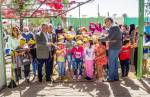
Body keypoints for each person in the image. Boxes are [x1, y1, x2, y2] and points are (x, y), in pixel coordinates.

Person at [100, 17, 122, 82]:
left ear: (109, 21)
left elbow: (109, 38)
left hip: (114, 47)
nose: (105, 23)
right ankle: (115, 77)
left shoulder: (113, 27)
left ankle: (110, 78)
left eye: (105, 22)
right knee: (114, 62)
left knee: (111, 63)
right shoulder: (115, 27)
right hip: (116, 47)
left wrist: (99, 39)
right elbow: (111, 37)